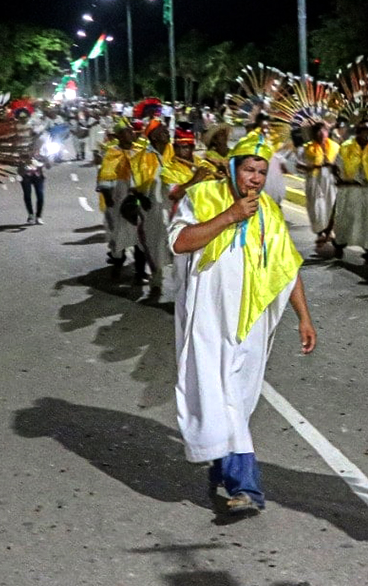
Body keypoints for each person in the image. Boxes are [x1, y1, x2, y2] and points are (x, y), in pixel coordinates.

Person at [171, 132, 317, 516]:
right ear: (233, 168)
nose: (254, 178)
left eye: (261, 172)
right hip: (207, 318)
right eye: (249, 169)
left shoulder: (269, 210)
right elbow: (181, 242)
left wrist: (303, 316)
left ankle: (221, 462)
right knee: (224, 395)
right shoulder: (201, 197)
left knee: (236, 397)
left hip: (250, 319)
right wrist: (230, 216)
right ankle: (246, 485)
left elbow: (287, 267)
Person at [130, 119, 191, 292]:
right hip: (154, 207)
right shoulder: (141, 158)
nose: (167, 132)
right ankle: (156, 277)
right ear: (153, 137)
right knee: (155, 243)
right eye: (162, 131)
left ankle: (183, 282)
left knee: (177, 243)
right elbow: (134, 184)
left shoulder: (176, 152)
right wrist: (141, 198)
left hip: (178, 205)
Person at [97, 121, 146, 281]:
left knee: (141, 235)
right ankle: (118, 265)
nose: (131, 134)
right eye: (126, 132)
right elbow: (105, 178)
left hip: (138, 198)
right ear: (118, 136)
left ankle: (140, 272)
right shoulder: (112, 153)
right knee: (119, 235)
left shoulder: (141, 152)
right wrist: (109, 198)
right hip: (119, 199)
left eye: (131, 131)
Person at [332, 121, 368, 263]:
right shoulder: (346, 147)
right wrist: (342, 180)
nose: (367, 135)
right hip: (350, 190)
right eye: (364, 131)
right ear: (358, 132)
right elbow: (336, 167)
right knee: (345, 219)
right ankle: (339, 244)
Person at [297, 122, 340, 247]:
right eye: (319, 132)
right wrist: (310, 167)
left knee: (331, 206)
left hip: (331, 181)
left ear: (328, 133)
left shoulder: (335, 147)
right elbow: (299, 165)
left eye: (324, 132)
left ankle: (329, 231)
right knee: (316, 207)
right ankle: (320, 232)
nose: (322, 135)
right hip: (315, 181)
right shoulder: (306, 148)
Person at [21, 146, 49, 225]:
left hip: (38, 177)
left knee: (40, 195)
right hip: (26, 177)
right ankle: (30, 215)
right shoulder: (23, 157)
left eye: (34, 150)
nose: (32, 152)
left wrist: (46, 160)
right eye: (30, 150)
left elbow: (49, 166)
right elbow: (18, 166)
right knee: (27, 195)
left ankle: (38, 216)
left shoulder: (41, 157)